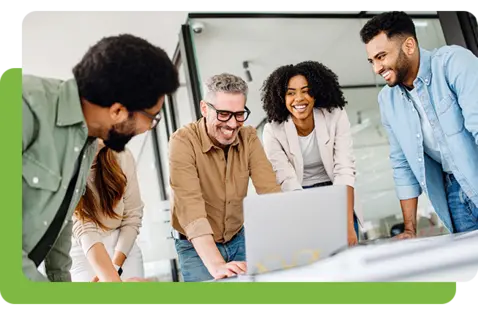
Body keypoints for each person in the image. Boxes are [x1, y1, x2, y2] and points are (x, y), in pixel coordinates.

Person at [22, 33, 179, 282]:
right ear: (117, 111)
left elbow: (59, 233)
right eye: (152, 117)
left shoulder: (86, 144)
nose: (149, 127)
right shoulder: (21, 104)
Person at [359, 11, 478, 238]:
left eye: (382, 56)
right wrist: (410, 229)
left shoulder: (454, 63)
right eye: (371, 61)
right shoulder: (388, 100)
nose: (376, 68)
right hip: (453, 193)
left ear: (409, 46)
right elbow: (401, 163)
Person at [168, 73, 282, 282]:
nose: (232, 124)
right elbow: (190, 206)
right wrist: (217, 264)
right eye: (223, 114)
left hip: (238, 239)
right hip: (195, 247)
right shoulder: (182, 141)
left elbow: (270, 192)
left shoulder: (248, 137)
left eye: (239, 114)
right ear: (204, 109)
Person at [260, 61, 363, 246]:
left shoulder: (336, 116)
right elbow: (286, 180)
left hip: (336, 192)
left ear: (316, 94)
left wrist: (348, 226)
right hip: (300, 197)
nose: (299, 98)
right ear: (281, 98)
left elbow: (344, 170)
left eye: (306, 91)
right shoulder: (272, 130)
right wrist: (307, 223)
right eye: (290, 93)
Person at [70, 140, 145, 282]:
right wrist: (109, 277)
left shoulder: (122, 156)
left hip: (122, 245)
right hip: (84, 248)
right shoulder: (66, 164)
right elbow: (83, 227)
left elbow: (132, 216)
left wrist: (116, 266)